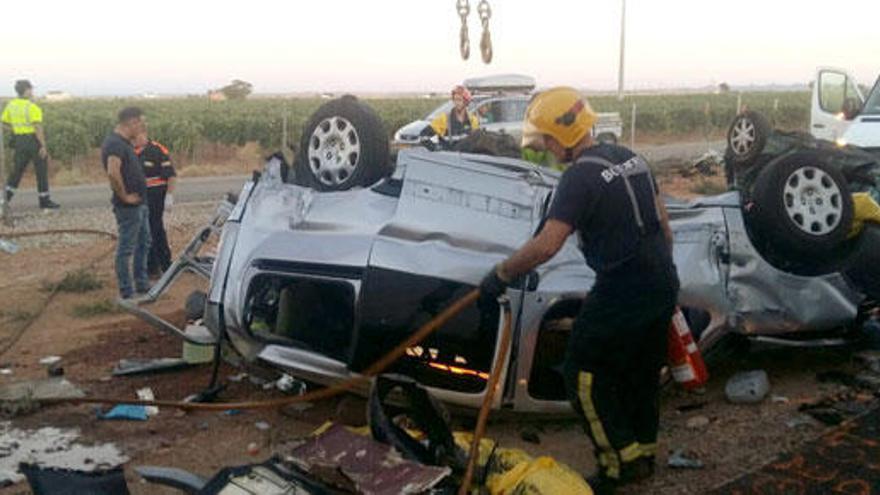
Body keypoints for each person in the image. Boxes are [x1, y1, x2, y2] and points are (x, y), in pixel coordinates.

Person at [479, 87, 679, 494]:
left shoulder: (578, 177)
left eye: (547, 140)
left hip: (623, 288)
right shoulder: (631, 158)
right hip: (661, 280)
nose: (547, 149)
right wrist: (658, 278)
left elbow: (548, 244)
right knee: (640, 374)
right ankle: (643, 456)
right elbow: (664, 225)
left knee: (583, 373)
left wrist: (500, 274)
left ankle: (616, 464)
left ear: (562, 135)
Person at [102, 107, 150, 300]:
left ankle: (141, 283)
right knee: (126, 248)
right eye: (140, 123)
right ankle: (127, 291)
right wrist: (125, 197)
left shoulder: (124, 142)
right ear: (131, 123)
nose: (142, 127)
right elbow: (113, 172)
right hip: (129, 207)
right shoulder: (114, 144)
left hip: (140, 203)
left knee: (144, 243)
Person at [0, 80, 60, 210]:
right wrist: (43, 146)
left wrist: (15, 129)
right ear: (26, 90)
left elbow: (3, 122)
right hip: (33, 141)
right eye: (31, 89)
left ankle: (4, 202)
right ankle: (45, 203)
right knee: (41, 171)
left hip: (19, 142)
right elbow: (38, 128)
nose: (32, 92)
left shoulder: (11, 105)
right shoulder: (32, 107)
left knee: (16, 172)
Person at [133, 132, 176, 277]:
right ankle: (151, 265)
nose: (135, 140)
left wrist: (169, 196)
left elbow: (170, 175)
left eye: (137, 136)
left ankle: (163, 264)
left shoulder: (157, 150)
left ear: (144, 134)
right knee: (143, 231)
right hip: (138, 198)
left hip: (155, 196)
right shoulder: (129, 151)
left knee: (154, 229)